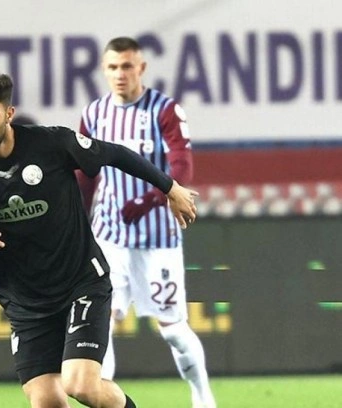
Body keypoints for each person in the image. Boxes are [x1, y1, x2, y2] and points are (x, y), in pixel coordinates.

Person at [0, 69, 199, 408]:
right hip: (26, 304)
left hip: (81, 284)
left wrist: (170, 188)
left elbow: (116, 154)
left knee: (81, 385)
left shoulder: (51, 144)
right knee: (46, 401)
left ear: (8, 113)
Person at [76, 37, 216, 408]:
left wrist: (152, 198)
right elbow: (85, 176)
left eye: (127, 66)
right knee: (102, 322)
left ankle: (202, 395)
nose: (120, 74)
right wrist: (77, 222)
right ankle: (104, 401)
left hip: (158, 237)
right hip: (109, 236)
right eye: (112, 67)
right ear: (104, 70)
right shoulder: (94, 114)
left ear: (141, 68)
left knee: (173, 330)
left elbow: (181, 164)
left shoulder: (164, 110)